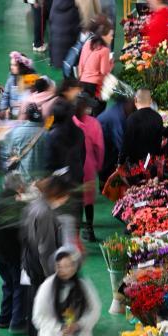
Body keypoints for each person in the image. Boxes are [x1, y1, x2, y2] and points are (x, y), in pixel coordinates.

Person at [21, 172, 77, 336]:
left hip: (30, 265)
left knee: (34, 310)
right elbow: (46, 250)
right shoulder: (45, 214)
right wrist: (53, 278)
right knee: (44, 313)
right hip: (40, 271)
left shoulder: (35, 205)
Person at [0, 172, 27, 334]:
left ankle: (4, 318)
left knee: (8, 283)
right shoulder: (14, 204)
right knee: (19, 285)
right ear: (19, 187)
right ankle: (17, 322)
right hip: (10, 253)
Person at [45, 100, 86, 229]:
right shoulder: (79, 132)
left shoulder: (52, 135)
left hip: (59, 183)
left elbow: (49, 162)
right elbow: (83, 155)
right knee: (76, 214)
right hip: (76, 177)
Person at [73, 93, 104, 242]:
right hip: (89, 166)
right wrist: (99, 164)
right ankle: (89, 229)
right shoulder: (94, 123)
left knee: (75, 200)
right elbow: (100, 147)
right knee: (88, 200)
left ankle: (74, 236)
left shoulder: (68, 122)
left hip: (71, 167)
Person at [78, 14, 114, 114]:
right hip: (95, 85)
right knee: (98, 108)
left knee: (85, 109)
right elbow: (104, 71)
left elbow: (80, 63)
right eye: (111, 35)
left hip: (83, 81)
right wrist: (111, 63)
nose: (111, 38)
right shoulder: (104, 50)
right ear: (104, 35)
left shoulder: (87, 43)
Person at [97, 97, 135, 192]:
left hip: (106, 140)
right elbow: (119, 139)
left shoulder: (119, 110)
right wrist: (127, 156)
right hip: (101, 141)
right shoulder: (116, 116)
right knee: (107, 163)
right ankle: (105, 187)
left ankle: (107, 184)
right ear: (127, 103)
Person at [3, 103, 48, 183]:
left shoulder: (17, 132)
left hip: (23, 177)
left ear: (27, 116)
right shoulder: (46, 132)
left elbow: (10, 153)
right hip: (42, 178)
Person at [118, 88, 163, 167]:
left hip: (135, 165)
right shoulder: (158, 117)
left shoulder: (132, 118)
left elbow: (126, 143)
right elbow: (159, 142)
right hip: (153, 163)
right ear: (151, 101)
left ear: (135, 100)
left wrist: (120, 162)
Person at [0, 52, 35, 119]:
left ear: (22, 66)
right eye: (11, 65)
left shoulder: (29, 79)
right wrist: (3, 110)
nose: (11, 67)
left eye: (15, 65)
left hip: (25, 114)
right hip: (12, 112)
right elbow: (6, 95)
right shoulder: (11, 77)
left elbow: (25, 99)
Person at [49, 0, 81, 69]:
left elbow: (50, 19)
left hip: (56, 48)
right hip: (69, 51)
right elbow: (77, 29)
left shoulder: (54, 4)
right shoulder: (73, 8)